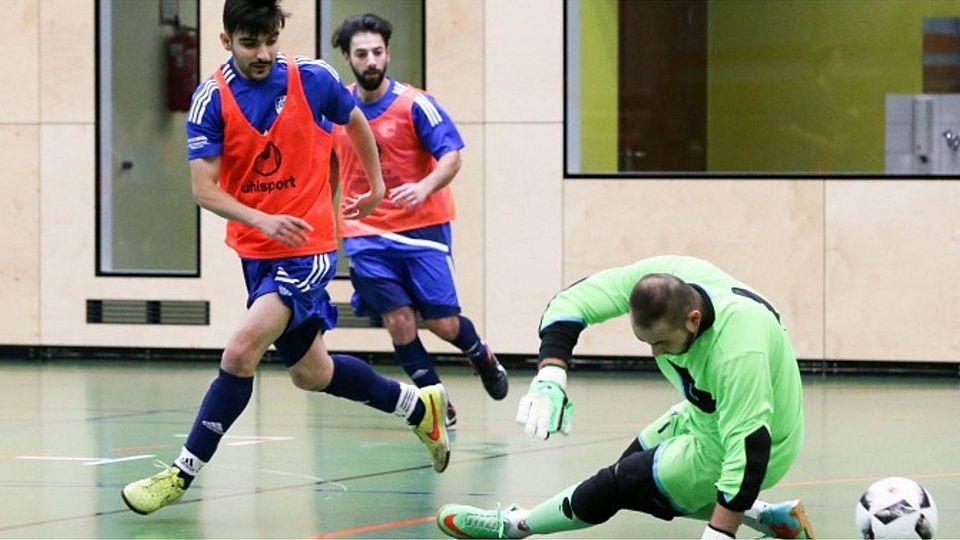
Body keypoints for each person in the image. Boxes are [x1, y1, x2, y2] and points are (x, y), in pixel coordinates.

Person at [121, 0, 450, 516]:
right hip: (256, 251)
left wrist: (378, 182)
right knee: (311, 374)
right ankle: (415, 405)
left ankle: (179, 476)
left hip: (308, 248)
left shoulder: (312, 78)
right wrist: (261, 220)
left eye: (271, 40)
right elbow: (204, 190)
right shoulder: (211, 100)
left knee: (239, 354)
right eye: (251, 43)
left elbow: (355, 120)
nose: (264, 53)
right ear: (226, 40)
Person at [437, 255, 816, 539]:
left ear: (694, 319)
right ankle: (767, 517)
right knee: (634, 475)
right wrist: (551, 373)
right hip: (706, 414)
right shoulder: (673, 276)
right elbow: (573, 302)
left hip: (761, 441)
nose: (656, 354)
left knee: (620, 484)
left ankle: (514, 525)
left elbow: (749, 450)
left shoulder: (737, 350)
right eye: (648, 343)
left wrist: (720, 533)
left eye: (662, 343)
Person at [329, 13, 508, 431]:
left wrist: (424, 187)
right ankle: (435, 400)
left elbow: (451, 155)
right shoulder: (337, 111)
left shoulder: (415, 104)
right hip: (365, 232)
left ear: (387, 54)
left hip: (423, 228)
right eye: (361, 54)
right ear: (349, 60)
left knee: (444, 324)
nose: (371, 61)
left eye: (377, 52)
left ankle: (481, 355)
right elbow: (329, 170)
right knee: (398, 320)